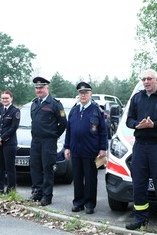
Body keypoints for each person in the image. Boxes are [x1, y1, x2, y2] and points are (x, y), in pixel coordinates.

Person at [125, 69, 157, 235]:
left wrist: (154, 125)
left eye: (149, 78)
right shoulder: (137, 97)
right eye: (143, 79)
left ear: (156, 80)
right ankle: (140, 220)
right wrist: (137, 125)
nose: (146, 81)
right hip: (140, 146)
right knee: (139, 184)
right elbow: (129, 120)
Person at [64, 82, 107, 214]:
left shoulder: (96, 110)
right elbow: (69, 130)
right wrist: (67, 147)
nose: (83, 95)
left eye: (86, 93)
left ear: (90, 94)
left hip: (91, 151)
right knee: (77, 178)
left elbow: (103, 132)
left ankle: (89, 204)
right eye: (81, 93)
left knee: (90, 179)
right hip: (76, 150)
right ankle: (78, 202)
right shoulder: (74, 110)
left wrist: (103, 148)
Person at [29, 76, 67, 206]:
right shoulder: (34, 103)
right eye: (37, 88)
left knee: (47, 168)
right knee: (35, 167)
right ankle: (37, 193)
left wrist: (54, 135)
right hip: (36, 141)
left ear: (47, 88)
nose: (39, 90)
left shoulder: (55, 104)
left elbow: (63, 123)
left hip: (48, 142)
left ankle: (47, 196)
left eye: (41, 87)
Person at [0, 90, 20, 194]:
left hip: (9, 143)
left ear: (11, 98)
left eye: (6, 98)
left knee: (9, 168)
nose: (4, 100)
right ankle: (0, 188)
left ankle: (11, 189)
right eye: (3, 98)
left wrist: (1, 138)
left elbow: (13, 128)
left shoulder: (15, 111)